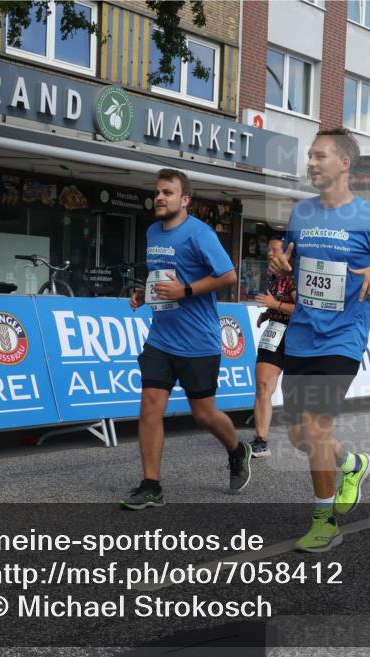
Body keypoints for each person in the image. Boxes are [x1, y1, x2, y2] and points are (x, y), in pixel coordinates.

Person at [269, 128, 370, 553]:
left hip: (344, 337)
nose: (310, 163)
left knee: (313, 427)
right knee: (298, 436)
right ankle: (351, 464)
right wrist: (279, 263)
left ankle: (324, 522)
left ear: (344, 163)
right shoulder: (302, 214)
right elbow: (287, 262)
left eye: (319, 156)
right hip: (302, 335)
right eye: (309, 156)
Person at [121, 168, 251, 510]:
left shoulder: (200, 234)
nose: (159, 197)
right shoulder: (152, 231)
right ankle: (151, 485)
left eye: (167, 192)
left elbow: (228, 276)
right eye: (157, 192)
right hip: (161, 338)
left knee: (204, 413)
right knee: (150, 405)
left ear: (185, 199)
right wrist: (146, 293)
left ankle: (238, 450)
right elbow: (161, 277)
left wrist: (187, 290)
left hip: (199, 341)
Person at [250, 237, 297, 458]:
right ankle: (261, 441)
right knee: (262, 387)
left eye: (275, 250)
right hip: (274, 332)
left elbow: (303, 310)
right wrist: (268, 313)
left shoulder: (292, 277)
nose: (269, 254)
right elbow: (276, 303)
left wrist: (275, 305)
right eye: (268, 249)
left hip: (298, 335)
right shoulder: (273, 276)